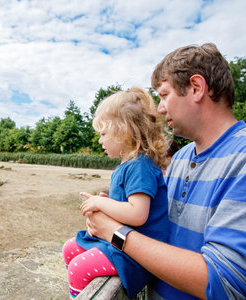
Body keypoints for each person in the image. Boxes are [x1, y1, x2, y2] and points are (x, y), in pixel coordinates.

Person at [85, 43, 246, 299]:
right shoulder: (181, 157)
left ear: (196, 88)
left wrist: (115, 233)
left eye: (164, 95)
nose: (160, 109)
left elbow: (223, 283)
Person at [62, 87, 170, 298]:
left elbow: (137, 214)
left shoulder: (140, 166)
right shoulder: (128, 165)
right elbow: (127, 206)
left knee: (78, 268)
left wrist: (101, 204)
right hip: (122, 243)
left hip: (137, 254)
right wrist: (109, 204)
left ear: (124, 131)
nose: (100, 140)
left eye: (103, 134)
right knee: (69, 249)